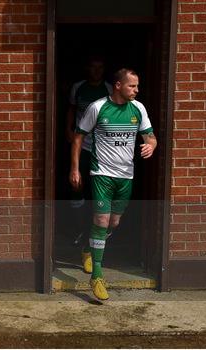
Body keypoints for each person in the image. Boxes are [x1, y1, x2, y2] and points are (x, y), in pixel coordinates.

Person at [69, 68, 157, 300]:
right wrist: (75, 168)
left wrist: (151, 145)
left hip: (126, 176)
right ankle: (97, 276)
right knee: (101, 219)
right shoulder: (98, 107)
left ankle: (88, 248)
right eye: (132, 86)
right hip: (101, 173)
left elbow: (150, 136)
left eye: (137, 86)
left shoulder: (138, 109)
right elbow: (78, 136)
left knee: (113, 223)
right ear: (118, 85)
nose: (136, 90)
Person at [66, 56, 112, 274]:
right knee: (77, 189)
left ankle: (90, 241)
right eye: (93, 66)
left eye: (100, 67)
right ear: (87, 68)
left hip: (103, 151)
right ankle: (77, 230)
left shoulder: (110, 89)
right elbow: (71, 110)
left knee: (99, 199)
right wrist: (69, 130)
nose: (96, 71)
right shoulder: (78, 87)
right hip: (82, 146)